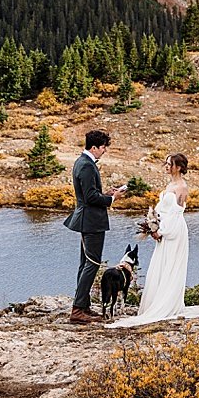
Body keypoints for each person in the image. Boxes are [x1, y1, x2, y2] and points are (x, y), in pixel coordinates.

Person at [109, 152, 199, 327]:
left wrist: (162, 231)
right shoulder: (170, 184)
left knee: (171, 267)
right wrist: (153, 224)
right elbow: (163, 210)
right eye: (165, 163)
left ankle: (168, 305)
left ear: (178, 167)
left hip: (174, 232)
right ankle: (157, 302)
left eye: (169, 164)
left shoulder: (181, 187)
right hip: (165, 228)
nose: (166, 166)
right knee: (161, 266)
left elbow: (176, 213)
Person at [64, 128, 124, 325]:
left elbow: (89, 193)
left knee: (85, 264)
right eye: (104, 147)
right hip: (91, 221)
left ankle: (83, 305)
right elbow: (90, 198)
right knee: (92, 263)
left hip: (86, 219)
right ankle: (78, 309)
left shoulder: (81, 162)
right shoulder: (88, 166)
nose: (105, 150)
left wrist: (104, 192)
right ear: (95, 147)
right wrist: (111, 198)